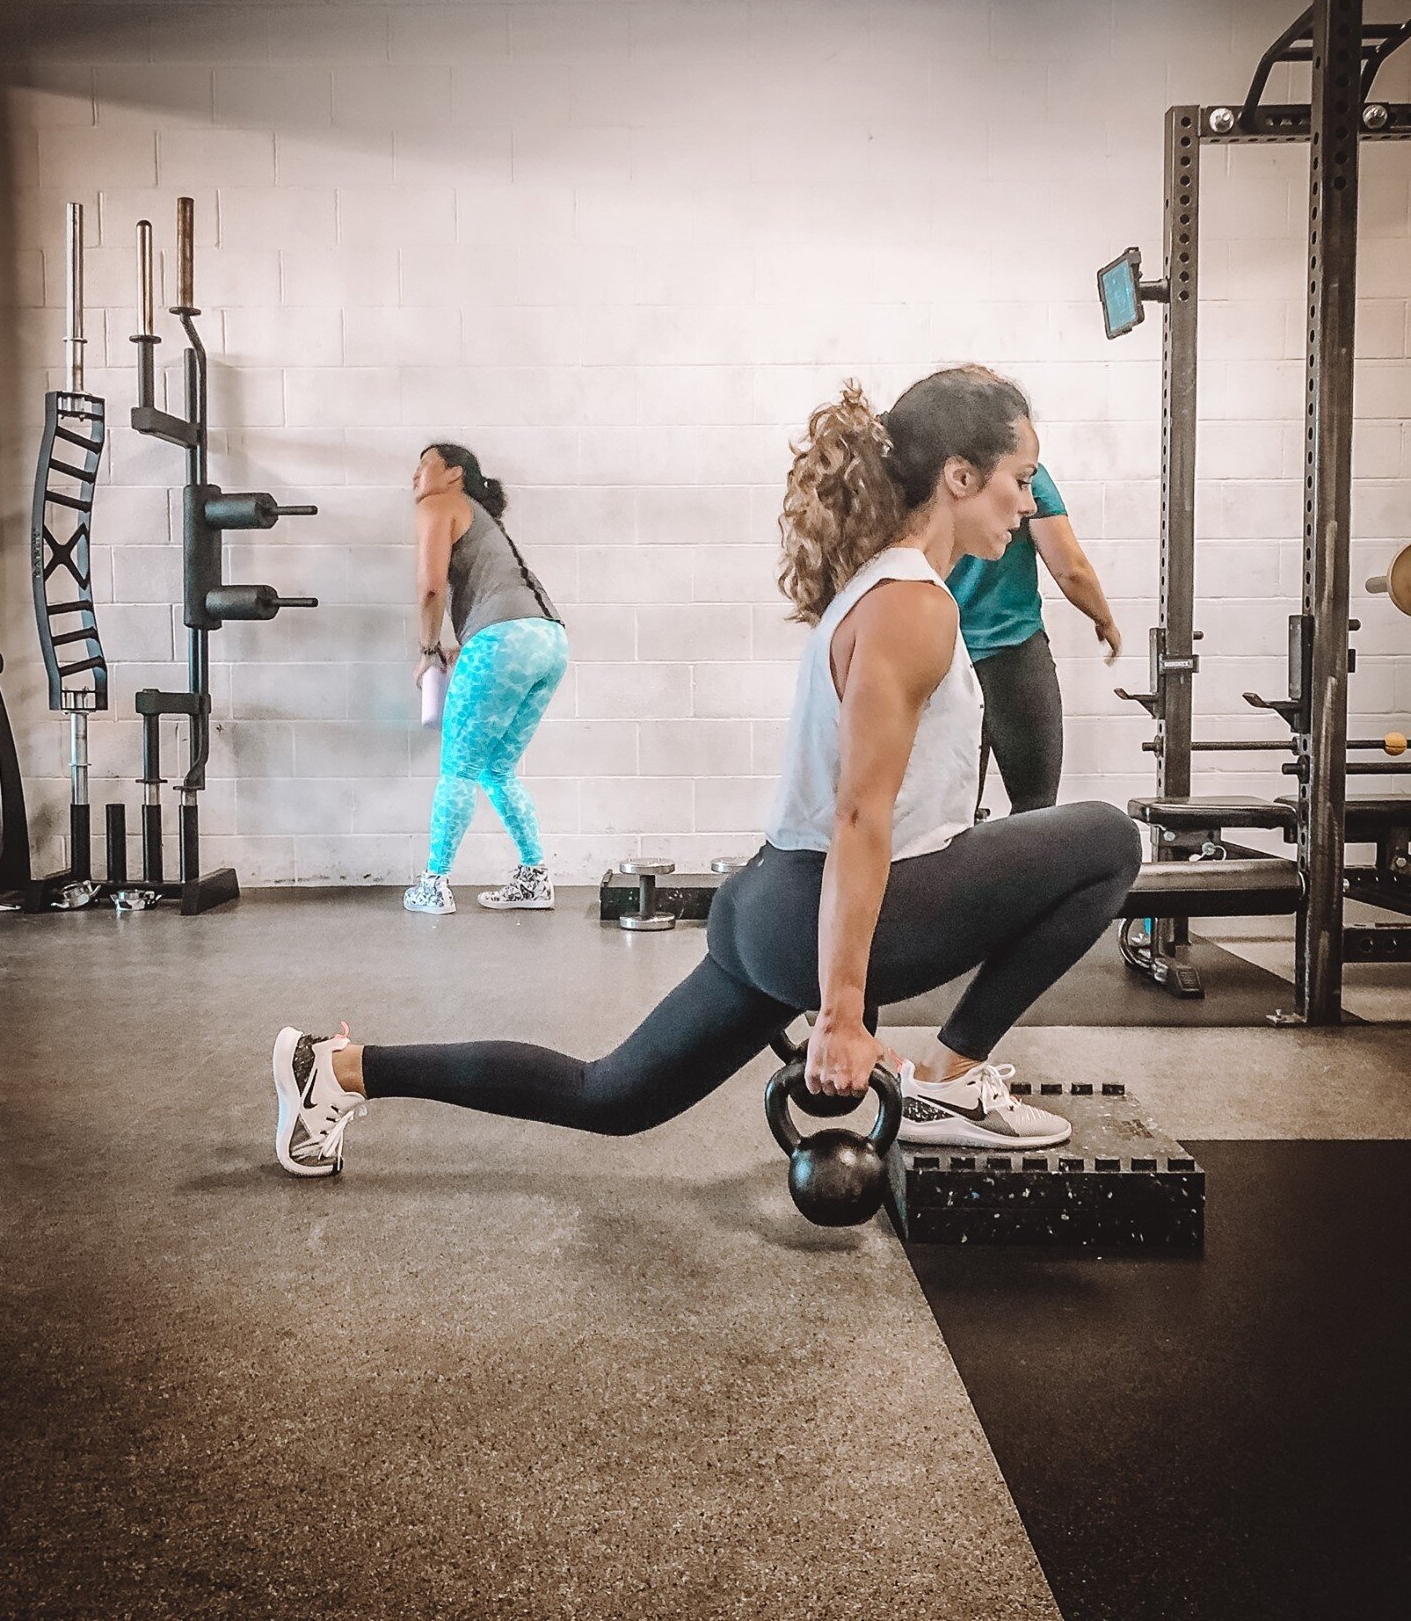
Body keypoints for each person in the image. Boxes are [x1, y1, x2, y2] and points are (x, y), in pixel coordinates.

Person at [273, 369, 1142, 1182]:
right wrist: (841, 1015)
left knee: (608, 1094)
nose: (1027, 502)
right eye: (1018, 478)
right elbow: (858, 818)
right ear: (959, 475)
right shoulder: (913, 604)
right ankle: (951, 1080)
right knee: (1105, 839)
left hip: (771, 904)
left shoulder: (881, 585)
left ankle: (338, 1069)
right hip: (812, 909)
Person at [402, 442, 567, 916]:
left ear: (454, 473)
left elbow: (430, 586)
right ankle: (534, 877)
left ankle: (434, 884)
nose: (414, 477)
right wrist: (468, 643)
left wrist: (429, 650)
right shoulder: (479, 514)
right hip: (548, 639)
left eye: (424, 466)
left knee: (458, 768)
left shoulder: (439, 503)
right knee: (497, 770)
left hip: (503, 640)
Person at [947, 426, 1120, 815]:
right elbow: (1070, 569)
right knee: (1036, 810)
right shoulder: (1027, 479)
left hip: (945, 655)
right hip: (1012, 654)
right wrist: (1104, 619)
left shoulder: (938, 483)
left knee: (945, 818)